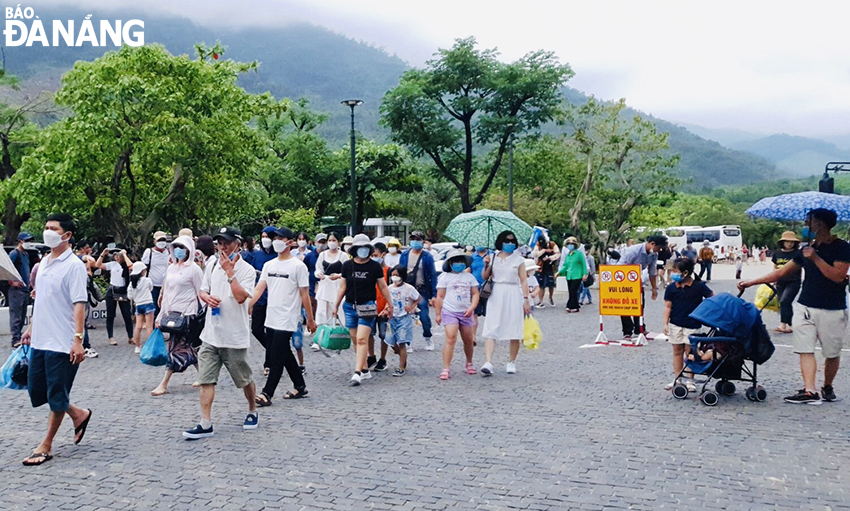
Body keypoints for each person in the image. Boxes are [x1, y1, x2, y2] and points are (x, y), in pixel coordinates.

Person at [740, 208, 849, 404]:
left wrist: (815, 258)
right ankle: (810, 390)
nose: (805, 225)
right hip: (805, 305)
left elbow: (838, 276)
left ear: (820, 224)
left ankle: (827, 386)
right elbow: (782, 273)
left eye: (808, 221)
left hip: (832, 308)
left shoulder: (842, 247)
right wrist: (751, 282)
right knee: (805, 348)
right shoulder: (805, 249)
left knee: (831, 353)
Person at [19, 213, 92, 466]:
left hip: (62, 342)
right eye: (46, 227)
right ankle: (79, 414)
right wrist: (30, 327)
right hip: (40, 339)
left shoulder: (74, 266)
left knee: (57, 393)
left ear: (67, 235)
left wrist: (78, 340)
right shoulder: (44, 262)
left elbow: (79, 304)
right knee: (40, 391)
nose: (47, 231)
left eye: (53, 228)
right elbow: (41, 300)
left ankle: (46, 444)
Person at [183, 227, 258, 439]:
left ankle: (252, 409)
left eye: (226, 242)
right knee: (206, 379)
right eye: (219, 242)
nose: (222, 246)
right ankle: (205, 422)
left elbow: (242, 297)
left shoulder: (247, 270)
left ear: (238, 243)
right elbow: (203, 290)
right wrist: (206, 298)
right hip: (211, 334)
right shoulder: (212, 264)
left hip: (234, 336)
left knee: (243, 379)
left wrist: (230, 273)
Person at [250, 227, 316, 407]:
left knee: (276, 355)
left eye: (280, 237)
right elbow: (259, 288)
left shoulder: (298, 266)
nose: (276, 240)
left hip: (288, 316)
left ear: (290, 242)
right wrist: (248, 305)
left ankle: (266, 393)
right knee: (283, 352)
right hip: (271, 315)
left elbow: (305, 294)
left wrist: (310, 319)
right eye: (275, 237)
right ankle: (300, 385)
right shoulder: (269, 265)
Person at [333, 234, 393, 387]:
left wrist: (390, 304)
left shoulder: (374, 266)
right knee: (355, 339)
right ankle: (364, 368)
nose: (363, 251)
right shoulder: (347, 265)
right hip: (349, 306)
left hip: (367, 306)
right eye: (360, 248)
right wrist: (335, 305)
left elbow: (383, 286)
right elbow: (342, 287)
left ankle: (357, 372)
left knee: (361, 338)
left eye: (366, 248)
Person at [150, 235, 204, 397]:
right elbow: (166, 294)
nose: (179, 250)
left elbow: (202, 293)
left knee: (175, 350)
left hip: (188, 315)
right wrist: (160, 315)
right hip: (172, 315)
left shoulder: (194, 270)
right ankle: (204, 374)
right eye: (176, 247)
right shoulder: (171, 268)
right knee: (186, 348)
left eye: (183, 247)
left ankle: (164, 383)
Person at [479, 230, 531, 376]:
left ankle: (511, 361)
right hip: (496, 293)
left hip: (513, 292)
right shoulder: (493, 257)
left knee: (514, 328)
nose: (509, 243)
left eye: (512, 241)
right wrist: (486, 265)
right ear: (500, 242)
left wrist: (526, 299)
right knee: (491, 326)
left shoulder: (518, 259)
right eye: (506, 241)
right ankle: (488, 362)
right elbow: (485, 277)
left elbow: (523, 280)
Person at [662, 258, 713, 392]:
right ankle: (677, 378)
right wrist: (665, 324)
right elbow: (667, 307)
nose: (673, 273)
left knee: (690, 352)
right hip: (675, 323)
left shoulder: (699, 286)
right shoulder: (671, 288)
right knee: (677, 351)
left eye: (675, 271)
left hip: (692, 324)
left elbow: (712, 299)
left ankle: (690, 380)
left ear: (685, 273)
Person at [435, 250, 480, 379]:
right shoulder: (445, 277)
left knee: (468, 340)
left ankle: (469, 362)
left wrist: (472, 307)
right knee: (450, 338)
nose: (458, 264)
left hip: (465, 312)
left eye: (461, 261)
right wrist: (438, 314)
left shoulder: (469, 277)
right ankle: (446, 368)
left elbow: (475, 293)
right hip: (450, 311)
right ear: (450, 263)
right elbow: (440, 296)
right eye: (456, 261)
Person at [617, 234, 667, 339]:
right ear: (652, 244)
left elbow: (652, 272)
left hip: (637, 281)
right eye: (659, 248)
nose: (659, 251)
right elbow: (620, 267)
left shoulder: (654, 255)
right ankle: (627, 331)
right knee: (625, 306)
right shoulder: (633, 251)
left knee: (640, 305)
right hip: (624, 280)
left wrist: (654, 288)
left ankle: (639, 328)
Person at [399, 231, 438, 350]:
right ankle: (407, 342)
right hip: (407, 289)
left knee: (424, 316)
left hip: (422, 290)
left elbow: (432, 275)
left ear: (423, 241)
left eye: (418, 239)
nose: (415, 241)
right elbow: (400, 271)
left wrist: (434, 294)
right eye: (413, 239)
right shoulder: (405, 255)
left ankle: (428, 337)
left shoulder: (427, 256)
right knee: (405, 316)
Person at [95, 247, 134, 346]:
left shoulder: (125, 265)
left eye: (118, 255)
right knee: (110, 315)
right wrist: (102, 254)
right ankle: (111, 337)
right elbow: (98, 265)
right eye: (115, 255)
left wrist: (124, 255)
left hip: (123, 290)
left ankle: (131, 336)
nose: (116, 257)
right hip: (112, 290)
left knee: (127, 314)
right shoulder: (112, 265)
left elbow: (131, 267)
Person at [386, 265, 419, 376]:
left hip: (404, 317)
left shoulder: (409, 288)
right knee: (389, 340)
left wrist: (412, 306)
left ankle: (401, 367)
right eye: (393, 275)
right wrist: (386, 309)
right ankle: (402, 357)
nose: (395, 277)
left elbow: (418, 298)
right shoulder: (390, 288)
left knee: (402, 342)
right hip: (392, 318)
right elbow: (388, 300)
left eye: (397, 275)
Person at [314, 232, 349, 327]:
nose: (331, 242)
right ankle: (321, 333)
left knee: (340, 310)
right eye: (329, 240)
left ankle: (342, 333)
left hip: (338, 286)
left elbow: (348, 271)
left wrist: (338, 276)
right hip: (325, 285)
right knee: (322, 311)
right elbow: (318, 268)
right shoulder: (323, 255)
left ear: (338, 242)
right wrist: (319, 274)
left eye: (334, 240)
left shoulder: (343, 256)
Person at [771, 231, 803, 334]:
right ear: (783, 242)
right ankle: (788, 325)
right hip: (781, 281)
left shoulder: (797, 254)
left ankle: (784, 324)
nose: (790, 244)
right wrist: (773, 278)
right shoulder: (777, 253)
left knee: (785, 301)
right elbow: (775, 266)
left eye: (792, 242)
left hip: (793, 281)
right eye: (787, 242)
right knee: (783, 303)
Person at [9, 232, 34, 348]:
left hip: (25, 289)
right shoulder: (15, 254)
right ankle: (15, 339)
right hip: (16, 290)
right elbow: (7, 269)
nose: (28, 243)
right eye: (26, 240)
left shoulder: (25, 255)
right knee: (16, 315)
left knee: (22, 315)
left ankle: (19, 336)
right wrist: (12, 282)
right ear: (20, 241)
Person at [369, 242, 391, 372]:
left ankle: (383, 358)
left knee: (384, 335)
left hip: (384, 309)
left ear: (383, 254)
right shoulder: (370, 269)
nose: (373, 257)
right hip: (371, 307)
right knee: (369, 333)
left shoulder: (389, 271)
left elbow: (391, 290)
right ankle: (371, 356)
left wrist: (388, 306)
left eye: (375, 255)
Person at [128, 261, 155, 355]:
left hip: (138, 305)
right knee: (149, 326)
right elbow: (151, 289)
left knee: (138, 327)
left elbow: (129, 296)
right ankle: (149, 347)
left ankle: (137, 346)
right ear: (142, 271)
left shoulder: (132, 284)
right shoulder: (147, 280)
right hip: (148, 303)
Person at [141, 231, 171, 318]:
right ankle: (153, 329)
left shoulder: (169, 252)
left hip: (166, 286)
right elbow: (144, 267)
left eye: (163, 240)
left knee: (164, 309)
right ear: (154, 241)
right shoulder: (149, 252)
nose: (162, 242)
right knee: (153, 310)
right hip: (153, 286)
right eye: (159, 240)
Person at [558, 236, 587, 313]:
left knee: (573, 291)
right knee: (571, 291)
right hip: (569, 275)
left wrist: (585, 274)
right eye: (568, 244)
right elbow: (565, 265)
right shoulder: (568, 255)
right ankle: (575, 306)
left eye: (572, 244)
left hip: (577, 275)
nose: (570, 245)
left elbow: (584, 264)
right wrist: (559, 272)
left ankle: (569, 305)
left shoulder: (579, 254)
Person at [471, 246, 492, 337]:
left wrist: (487, 264)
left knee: (490, 313)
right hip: (475, 288)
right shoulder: (472, 257)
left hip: (489, 288)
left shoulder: (492, 255)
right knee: (474, 313)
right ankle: (473, 336)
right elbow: (470, 270)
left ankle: (490, 335)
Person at [532, 238, 559, 307]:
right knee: (541, 284)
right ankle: (541, 301)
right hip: (540, 267)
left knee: (551, 284)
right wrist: (543, 251)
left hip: (550, 266)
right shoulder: (538, 245)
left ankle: (550, 298)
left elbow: (558, 254)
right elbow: (535, 254)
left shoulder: (552, 244)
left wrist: (550, 257)